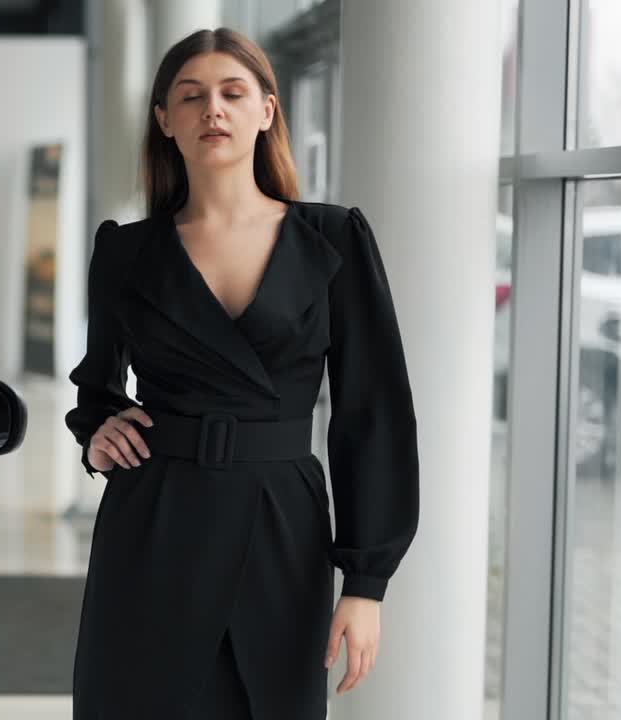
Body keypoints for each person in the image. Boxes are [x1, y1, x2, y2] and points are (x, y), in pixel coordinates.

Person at [65, 28, 418, 719]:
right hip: (154, 524)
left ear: (267, 110)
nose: (212, 111)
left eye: (232, 93)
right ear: (165, 119)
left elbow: (371, 414)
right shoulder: (125, 252)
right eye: (190, 97)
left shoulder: (333, 239)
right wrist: (98, 432)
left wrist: (366, 581)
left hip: (281, 527)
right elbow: (96, 390)